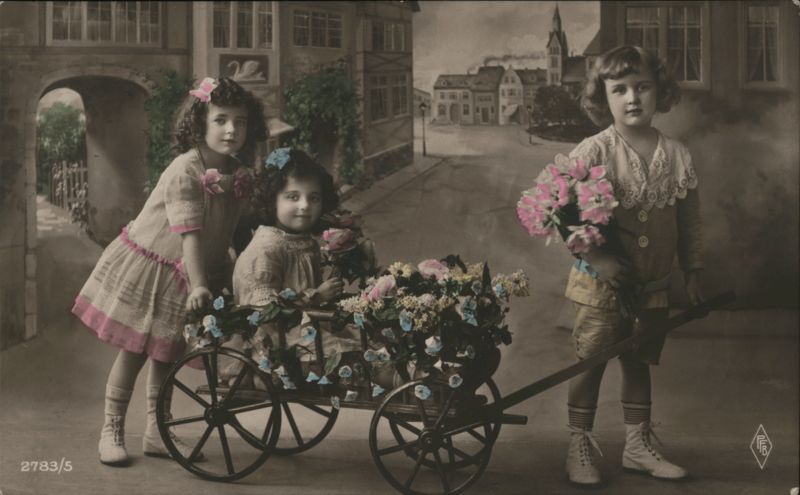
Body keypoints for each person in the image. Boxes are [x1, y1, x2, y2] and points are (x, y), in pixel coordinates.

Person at [71, 76, 267, 466]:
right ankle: (111, 428)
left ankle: (157, 430)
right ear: (200, 124)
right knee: (135, 350)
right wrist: (198, 284)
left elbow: (230, 227)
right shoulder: (185, 170)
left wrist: (222, 274)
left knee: (166, 354)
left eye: (240, 122)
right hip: (160, 265)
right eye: (221, 120)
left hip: (197, 272)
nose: (231, 130)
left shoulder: (238, 172)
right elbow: (189, 235)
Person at [562, 45, 704, 486]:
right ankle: (578, 443)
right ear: (602, 96)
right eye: (619, 89)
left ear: (659, 91)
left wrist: (693, 270)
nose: (632, 98)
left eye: (642, 87)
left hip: (652, 287)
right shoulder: (594, 151)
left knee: (639, 361)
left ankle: (637, 446)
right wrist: (598, 257)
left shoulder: (676, 154)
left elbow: (689, 219)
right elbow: (561, 212)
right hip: (602, 288)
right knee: (592, 362)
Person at [231, 148, 362, 375]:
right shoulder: (266, 248)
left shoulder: (303, 241)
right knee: (361, 356)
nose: (305, 205)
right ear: (272, 200)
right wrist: (317, 296)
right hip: (280, 344)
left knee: (371, 338)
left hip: (308, 329)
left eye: (314, 198)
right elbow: (265, 313)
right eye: (293, 197)